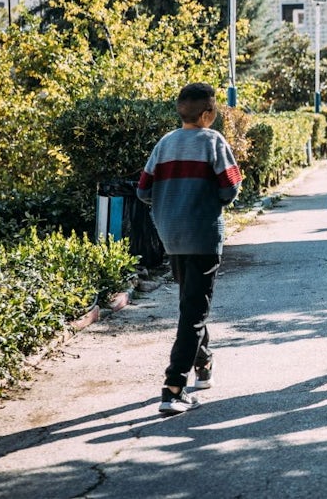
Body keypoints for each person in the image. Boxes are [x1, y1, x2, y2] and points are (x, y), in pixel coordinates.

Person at [137, 82, 242, 414]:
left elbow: (143, 190)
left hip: (172, 237)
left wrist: (171, 206)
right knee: (195, 311)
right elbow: (231, 187)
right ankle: (173, 388)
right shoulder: (213, 141)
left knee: (191, 304)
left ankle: (204, 363)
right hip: (203, 236)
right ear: (209, 114)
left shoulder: (164, 144)